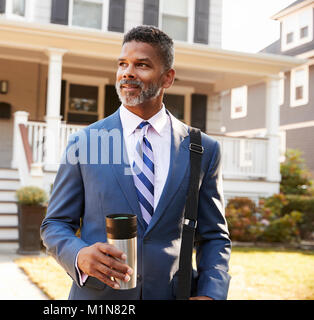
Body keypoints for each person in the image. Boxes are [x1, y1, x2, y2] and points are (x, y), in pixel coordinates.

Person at [40, 25, 231, 300]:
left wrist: (211, 293)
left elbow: (214, 236)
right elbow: (54, 224)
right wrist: (79, 254)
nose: (127, 72)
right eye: (122, 64)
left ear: (167, 78)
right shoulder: (85, 142)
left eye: (141, 65)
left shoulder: (202, 149)